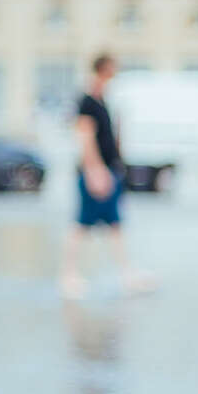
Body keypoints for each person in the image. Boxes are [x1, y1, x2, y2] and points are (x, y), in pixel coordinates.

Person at [61, 52, 155, 299]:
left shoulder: (103, 100)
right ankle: (69, 276)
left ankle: (127, 274)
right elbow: (85, 137)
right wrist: (95, 171)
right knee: (81, 225)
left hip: (107, 170)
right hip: (97, 172)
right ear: (102, 70)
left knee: (115, 226)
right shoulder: (87, 101)